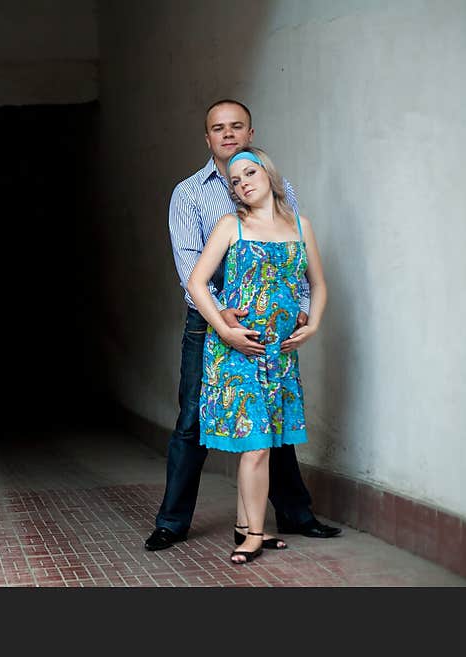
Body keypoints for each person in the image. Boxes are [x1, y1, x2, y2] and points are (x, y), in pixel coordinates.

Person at [144, 100, 340, 552]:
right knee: (193, 420)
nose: (228, 134)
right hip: (209, 323)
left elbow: (295, 259)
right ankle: (172, 522)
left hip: (272, 331)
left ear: (250, 133)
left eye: (236, 126)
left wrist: (305, 310)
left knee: (273, 423)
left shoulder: (278, 186)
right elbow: (190, 269)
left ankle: (293, 514)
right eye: (218, 128)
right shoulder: (190, 193)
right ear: (207, 138)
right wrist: (223, 318)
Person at [187, 146, 327, 563]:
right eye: (235, 180)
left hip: (279, 355)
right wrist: (225, 329)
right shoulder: (232, 225)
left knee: (265, 441)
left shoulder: (300, 226)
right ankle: (254, 533)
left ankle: (243, 524)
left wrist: (313, 325)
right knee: (255, 446)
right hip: (238, 351)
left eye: (250, 173)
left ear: (268, 173)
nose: (243, 182)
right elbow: (197, 284)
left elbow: (318, 284)